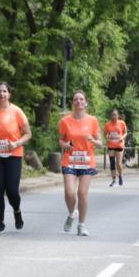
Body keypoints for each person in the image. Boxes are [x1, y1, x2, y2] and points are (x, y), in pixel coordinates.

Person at [0, 82, 32, 233]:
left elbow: (28, 134)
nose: (2, 94)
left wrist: (16, 143)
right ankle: (0, 222)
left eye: (4, 91)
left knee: (12, 191)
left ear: (9, 94)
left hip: (13, 156)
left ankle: (17, 211)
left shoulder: (17, 111)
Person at [58, 91, 102, 236]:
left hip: (86, 161)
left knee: (82, 193)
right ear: (73, 103)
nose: (79, 101)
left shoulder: (92, 120)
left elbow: (101, 143)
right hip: (69, 160)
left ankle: (81, 225)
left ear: (86, 103)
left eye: (81, 99)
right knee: (69, 192)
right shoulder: (65, 121)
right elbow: (61, 140)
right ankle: (72, 213)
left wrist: (94, 141)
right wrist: (65, 145)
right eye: (76, 99)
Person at [104, 109, 128, 187]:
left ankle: (120, 176)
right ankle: (114, 180)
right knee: (112, 163)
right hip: (111, 145)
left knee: (118, 164)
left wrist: (122, 137)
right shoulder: (108, 124)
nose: (114, 116)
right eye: (112, 115)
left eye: (115, 115)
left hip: (119, 145)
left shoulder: (122, 123)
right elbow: (106, 134)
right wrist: (107, 137)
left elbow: (125, 132)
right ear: (110, 116)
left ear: (118, 116)